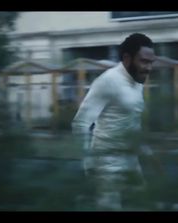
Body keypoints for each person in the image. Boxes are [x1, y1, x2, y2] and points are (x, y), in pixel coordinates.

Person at [71, 33, 156, 210]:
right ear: (127, 58)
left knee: (144, 204)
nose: (148, 67)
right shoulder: (108, 80)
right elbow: (80, 123)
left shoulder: (138, 82)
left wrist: (146, 152)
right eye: (143, 61)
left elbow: (132, 120)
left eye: (150, 62)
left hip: (131, 161)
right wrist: (89, 163)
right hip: (106, 165)